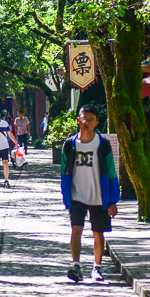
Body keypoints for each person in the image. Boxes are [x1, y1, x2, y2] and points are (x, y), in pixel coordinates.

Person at [61, 105, 120, 283]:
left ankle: (97, 267)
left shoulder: (102, 145)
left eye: (91, 119)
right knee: (76, 230)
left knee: (98, 233)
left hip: (98, 196)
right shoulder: (70, 145)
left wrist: (113, 200)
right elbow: (64, 172)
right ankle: (76, 266)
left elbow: (111, 172)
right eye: (84, 118)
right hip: (76, 195)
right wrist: (65, 196)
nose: (86, 122)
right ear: (78, 120)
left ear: (97, 123)